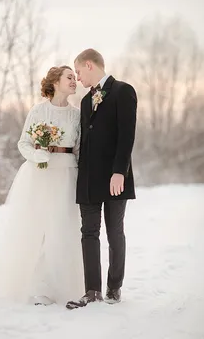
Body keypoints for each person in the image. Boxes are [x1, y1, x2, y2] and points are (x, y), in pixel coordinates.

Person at [0, 65, 84, 305]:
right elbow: (24, 143)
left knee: (63, 230)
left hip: (67, 175)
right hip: (40, 175)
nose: (74, 81)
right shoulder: (38, 111)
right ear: (55, 82)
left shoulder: (77, 114)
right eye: (69, 77)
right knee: (40, 230)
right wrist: (37, 156)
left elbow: (80, 148)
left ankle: (64, 287)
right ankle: (41, 288)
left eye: (75, 77)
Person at [66, 49, 137, 309]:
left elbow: (127, 135)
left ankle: (114, 286)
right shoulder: (85, 102)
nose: (78, 78)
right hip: (89, 179)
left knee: (114, 231)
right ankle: (92, 290)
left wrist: (120, 171)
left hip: (115, 177)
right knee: (88, 233)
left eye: (78, 72)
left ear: (89, 65)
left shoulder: (123, 90)